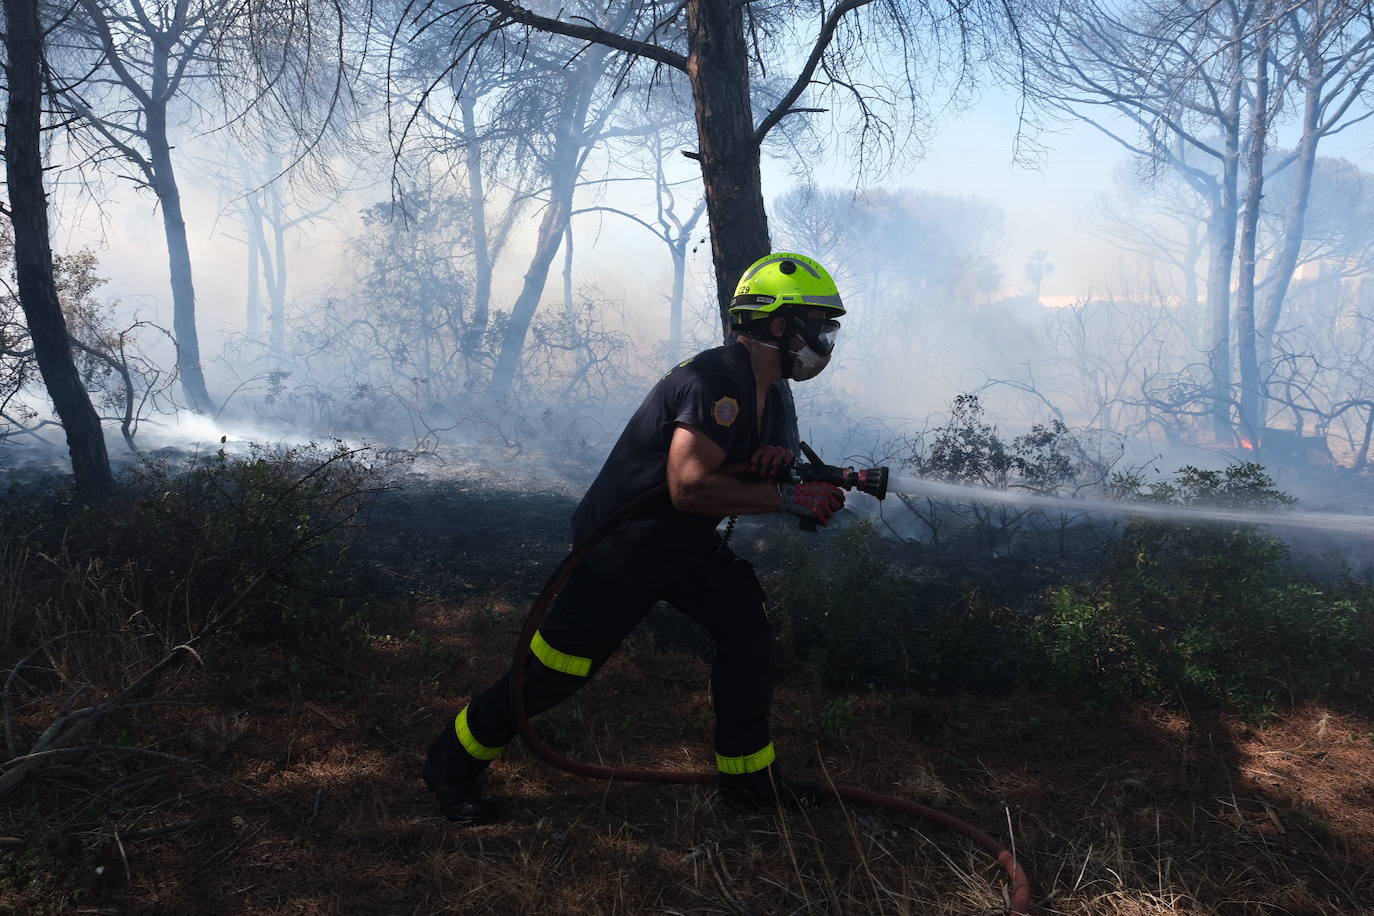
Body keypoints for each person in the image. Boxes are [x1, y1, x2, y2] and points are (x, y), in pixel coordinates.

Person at [424, 252, 849, 824]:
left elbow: (761, 459)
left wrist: (783, 470)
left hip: (686, 548)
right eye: (819, 325)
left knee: (748, 637)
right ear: (779, 325)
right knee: (553, 674)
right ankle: (450, 767)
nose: (824, 339)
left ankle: (749, 783)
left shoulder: (773, 390)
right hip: (626, 548)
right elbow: (689, 487)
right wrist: (788, 498)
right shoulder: (714, 381)